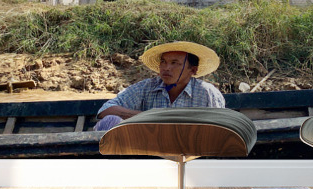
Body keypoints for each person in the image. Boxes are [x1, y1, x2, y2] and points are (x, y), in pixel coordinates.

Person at [93, 41, 225, 131]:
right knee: (110, 121)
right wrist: (150, 117)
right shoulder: (147, 87)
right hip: (148, 150)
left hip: (191, 152)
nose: (167, 68)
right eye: (163, 62)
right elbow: (105, 110)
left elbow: (221, 129)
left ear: (193, 70)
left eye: (175, 63)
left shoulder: (207, 93)